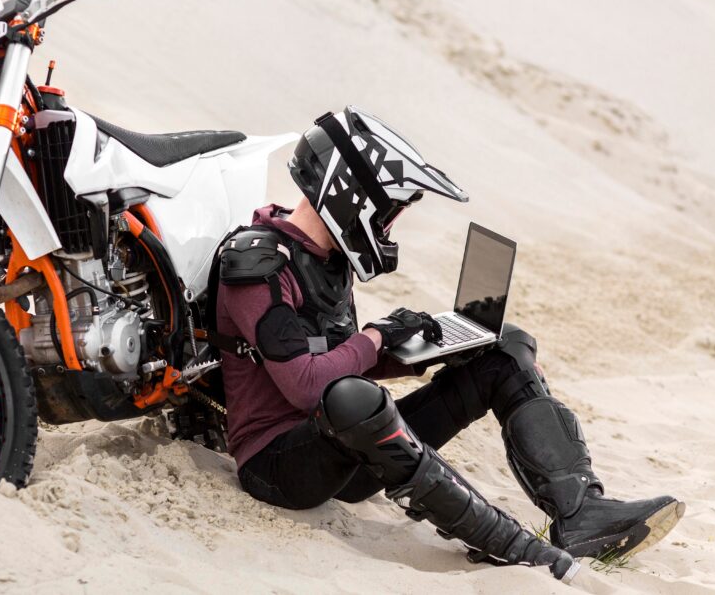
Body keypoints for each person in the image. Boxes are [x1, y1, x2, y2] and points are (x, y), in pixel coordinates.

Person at [209, 106, 683, 581]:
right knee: (355, 399)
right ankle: (515, 547)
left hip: (350, 448)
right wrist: (376, 337)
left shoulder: (326, 260)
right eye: (390, 213)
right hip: (279, 468)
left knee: (505, 348)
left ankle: (582, 514)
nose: (388, 229)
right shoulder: (257, 265)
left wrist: (421, 352)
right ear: (353, 196)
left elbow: (334, 361)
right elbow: (307, 387)